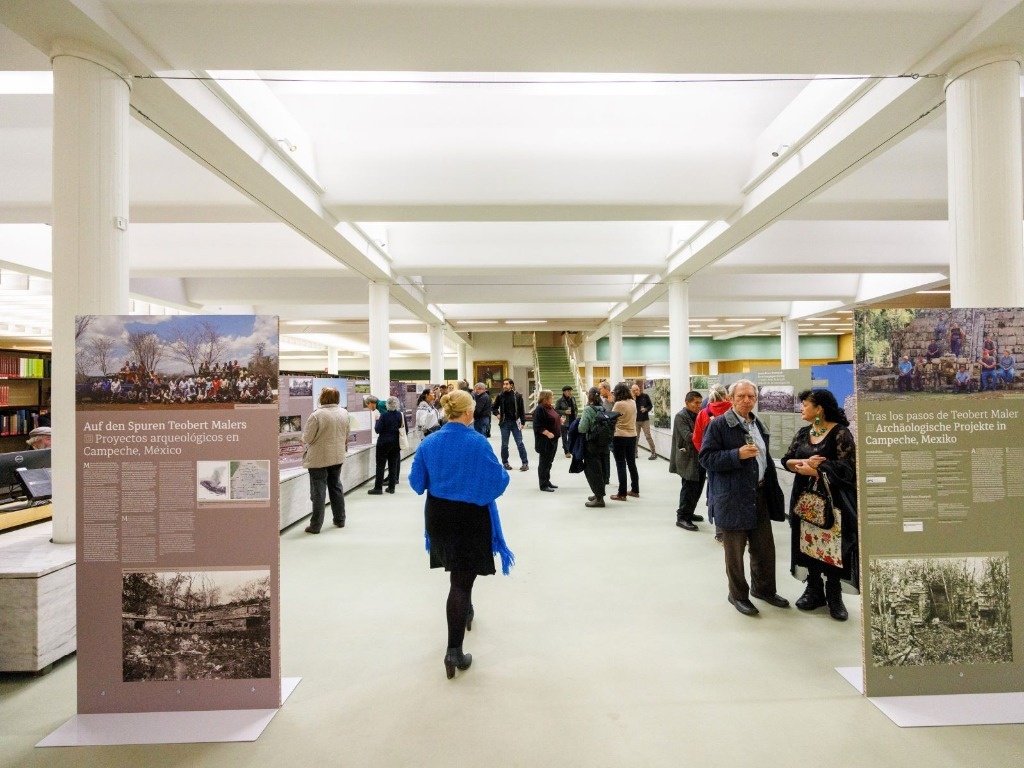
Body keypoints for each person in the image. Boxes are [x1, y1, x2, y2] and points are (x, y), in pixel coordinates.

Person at [408, 389, 514, 680]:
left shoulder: (430, 442)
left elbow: (417, 483)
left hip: (439, 516)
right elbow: (498, 481)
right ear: (468, 413)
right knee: (461, 581)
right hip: (470, 517)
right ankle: (454, 651)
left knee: (459, 573)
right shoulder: (477, 442)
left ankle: (465, 612)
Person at [698, 379, 789, 617]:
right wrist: (735, 454)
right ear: (731, 398)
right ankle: (738, 595)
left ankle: (764, 589)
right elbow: (706, 458)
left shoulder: (758, 424)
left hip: (758, 494)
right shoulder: (719, 425)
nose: (747, 400)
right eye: (741, 396)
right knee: (735, 552)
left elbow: (764, 459)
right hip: (733, 496)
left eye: (751, 397)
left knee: (764, 549)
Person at [781, 389, 858, 621]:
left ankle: (834, 594)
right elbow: (787, 460)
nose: (802, 409)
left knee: (832, 546)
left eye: (806, 405)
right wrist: (803, 463)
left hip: (832, 501)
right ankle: (813, 589)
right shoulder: (804, 432)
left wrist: (816, 470)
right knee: (808, 544)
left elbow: (848, 468)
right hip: (805, 501)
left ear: (819, 409)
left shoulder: (840, 433)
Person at [301, 387, 350, 534]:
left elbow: (307, 438)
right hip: (337, 456)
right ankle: (340, 519)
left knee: (318, 491)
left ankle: (316, 525)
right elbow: (347, 433)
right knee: (336, 486)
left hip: (319, 458)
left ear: (322, 397)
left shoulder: (317, 415)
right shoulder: (344, 413)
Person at [693, 384, 731, 543]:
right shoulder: (733, 409)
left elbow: (697, 438)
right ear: (727, 396)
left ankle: (720, 533)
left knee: (716, 493)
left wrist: (706, 455)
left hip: (713, 462)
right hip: (735, 457)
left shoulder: (704, 413)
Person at [669, 391, 706, 531]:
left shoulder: (700, 415)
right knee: (689, 488)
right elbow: (688, 436)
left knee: (698, 487)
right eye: (695, 402)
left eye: (700, 402)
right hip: (688, 458)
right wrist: (708, 434)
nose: (698, 405)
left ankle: (689, 512)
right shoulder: (680, 417)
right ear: (687, 403)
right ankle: (682, 517)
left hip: (700, 457)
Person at [577, 387, 613, 507]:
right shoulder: (602, 408)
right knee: (601, 469)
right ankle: (599, 494)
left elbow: (582, 428)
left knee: (593, 470)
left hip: (592, 444)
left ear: (590, 396)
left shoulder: (588, 409)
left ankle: (599, 499)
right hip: (602, 443)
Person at [491, 378, 529, 471]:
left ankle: (525, 463)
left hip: (515, 422)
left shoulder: (517, 396)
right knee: (504, 444)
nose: (504, 386)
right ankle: (505, 463)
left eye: (507, 384)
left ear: (511, 385)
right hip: (504, 423)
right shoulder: (500, 396)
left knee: (519, 443)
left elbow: (521, 410)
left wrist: (523, 422)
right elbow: (494, 408)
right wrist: (497, 414)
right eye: (504, 384)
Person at [610, 382, 639, 501]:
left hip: (620, 436)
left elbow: (612, 418)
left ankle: (622, 493)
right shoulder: (633, 402)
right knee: (631, 463)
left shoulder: (618, 404)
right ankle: (635, 490)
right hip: (632, 435)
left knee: (621, 464)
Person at [368, 396, 403, 495]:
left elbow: (377, 430)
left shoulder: (383, 416)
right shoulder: (400, 415)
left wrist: (377, 421)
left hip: (383, 443)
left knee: (380, 466)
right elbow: (405, 429)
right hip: (396, 443)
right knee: (393, 465)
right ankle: (391, 488)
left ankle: (378, 488)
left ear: (387, 405)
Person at [532, 389, 561, 492]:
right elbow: (537, 426)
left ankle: (547, 481)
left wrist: (559, 420)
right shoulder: (540, 409)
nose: (552, 398)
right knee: (544, 462)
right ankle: (543, 484)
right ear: (546, 398)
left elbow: (552, 418)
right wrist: (547, 433)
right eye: (551, 397)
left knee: (549, 462)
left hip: (553, 439)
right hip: (545, 440)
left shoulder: (549, 407)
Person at [632, 383, 658, 460]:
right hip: (636, 420)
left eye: (636, 389)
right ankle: (634, 453)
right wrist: (633, 398)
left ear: (639, 389)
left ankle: (653, 453)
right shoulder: (632, 398)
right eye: (634, 390)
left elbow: (650, 405)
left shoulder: (645, 396)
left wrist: (646, 409)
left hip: (645, 420)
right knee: (636, 437)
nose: (636, 391)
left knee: (648, 436)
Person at [554, 385, 578, 457]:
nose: (570, 392)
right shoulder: (559, 401)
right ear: (564, 392)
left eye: (570, 391)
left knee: (571, 435)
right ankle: (566, 451)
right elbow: (556, 410)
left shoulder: (573, 398)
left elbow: (575, 407)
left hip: (573, 420)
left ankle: (569, 448)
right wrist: (564, 412)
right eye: (568, 391)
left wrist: (576, 414)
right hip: (564, 421)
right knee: (564, 436)